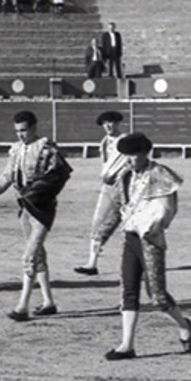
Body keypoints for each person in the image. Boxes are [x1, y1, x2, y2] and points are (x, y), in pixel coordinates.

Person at [103, 132, 191, 360]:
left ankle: (184, 325)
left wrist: (149, 226)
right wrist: (101, 236)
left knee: (158, 297)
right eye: (125, 155)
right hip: (130, 238)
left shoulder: (160, 174)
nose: (128, 160)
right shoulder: (125, 176)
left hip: (150, 239)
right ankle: (127, 345)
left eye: (132, 155)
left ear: (145, 153)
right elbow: (117, 207)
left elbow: (166, 209)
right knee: (128, 290)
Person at [0, 110, 71, 321]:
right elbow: (6, 177)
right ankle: (48, 303)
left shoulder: (46, 148)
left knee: (29, 256)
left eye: (24, 130)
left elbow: (61, 175)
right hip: (25, 208)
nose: (20, 135)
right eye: (17, 131)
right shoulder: (16, 150)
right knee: (38, 255)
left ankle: (22, 306)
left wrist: (41, 194)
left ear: (34, 128)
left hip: (42, 207)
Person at [75, 111, 128, 276]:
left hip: (125, 188)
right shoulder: (104, 142)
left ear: (118, 123)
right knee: (98, 223)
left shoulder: (126, 141)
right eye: (105, 123)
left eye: (111, 122)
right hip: (107, 187)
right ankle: (92, 263)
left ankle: (140, 264)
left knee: (132, 226)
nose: (108, 126)